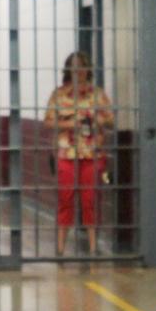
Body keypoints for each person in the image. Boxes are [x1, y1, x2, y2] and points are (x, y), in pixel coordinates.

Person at [43, 52, 114, 257]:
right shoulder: (59, 95)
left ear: (87, 70)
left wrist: (99, 121)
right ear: (68, 71)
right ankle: (60, 248)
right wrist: (68, 123)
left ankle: (93, 247)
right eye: (74, 68)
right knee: (65, 198)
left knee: (90, 199)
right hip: (67, 152)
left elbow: (110, 119)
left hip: (92, 153)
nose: (78, 72)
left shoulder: (97, 95)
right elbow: (48, 121)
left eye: (81, 68)